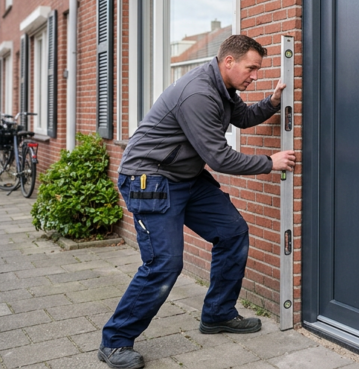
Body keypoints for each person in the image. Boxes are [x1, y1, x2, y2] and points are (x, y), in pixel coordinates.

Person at [98, 35, 297, 369]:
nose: (255, 75)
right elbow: (219, 158)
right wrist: (269, 162)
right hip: (150, 178)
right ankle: (115, 342)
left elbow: (244, 117)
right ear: (228, 62)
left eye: (258, 69)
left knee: (232, 232)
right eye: (251, 68)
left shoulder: (223, 89)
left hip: (185, 177)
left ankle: (218, 313)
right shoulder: (199, 93)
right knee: (165, 262)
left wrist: (273, 102)